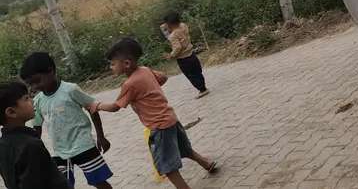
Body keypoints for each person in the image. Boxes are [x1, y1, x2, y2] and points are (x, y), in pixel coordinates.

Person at [88, 38, 217, 189]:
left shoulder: (129, 84)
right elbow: (163, 77)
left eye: (113, 63)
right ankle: (206, 163)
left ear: (127, 64)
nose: (111, 67)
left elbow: (115, 106)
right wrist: (149, 89)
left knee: (167, 167)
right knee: (185, 149)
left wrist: (97, 105)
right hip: (171, 119)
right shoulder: (145, 70)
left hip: (159, 127)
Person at [19, 52, 113, 188]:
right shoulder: (39, 101)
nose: (34, 87)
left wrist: (101, 136)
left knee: (99, 182)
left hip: (84, 146)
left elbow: (92, 108)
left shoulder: (70, 90)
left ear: (51, 71)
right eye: (30, 84)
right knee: (62, 185)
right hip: (59, 152)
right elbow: (37, 128)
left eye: (37, 81)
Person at [0, 80, 68, 188]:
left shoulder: (3, 144)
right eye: (26, 99)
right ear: (11, 112)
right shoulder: (31, 145)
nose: (32, 101)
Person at [160, 12, 209, 98]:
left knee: (191, 75)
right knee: (197, 72)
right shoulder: (183, 26)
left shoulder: (173, 36)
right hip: (192, 54)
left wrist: (171, 55)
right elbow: (172, 28)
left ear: (169, 24)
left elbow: (178, 47)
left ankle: (202, 90)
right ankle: (203, 87)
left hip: (183, 59)